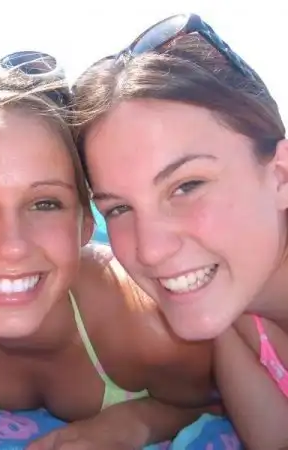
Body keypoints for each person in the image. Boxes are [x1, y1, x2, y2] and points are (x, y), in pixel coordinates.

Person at [0, 60, 215, 450]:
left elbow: (217, 399)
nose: (13, 246)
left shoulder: (153, 330)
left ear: (84, 221)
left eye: (45, 203)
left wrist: (134, 423)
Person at [73, 13, 288, 449]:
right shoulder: (236, 321)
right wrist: (146, 418)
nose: (151, 250)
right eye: (118, 208)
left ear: (281, 176)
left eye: (187, 186)